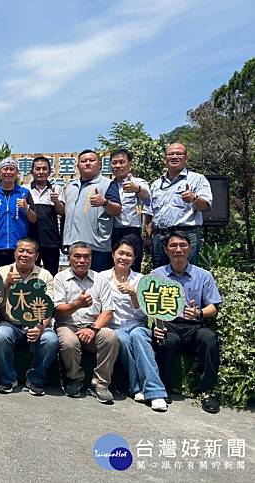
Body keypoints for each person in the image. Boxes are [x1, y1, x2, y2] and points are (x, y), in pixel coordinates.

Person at [151, 231, 222, 413]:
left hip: (194, 326)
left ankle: (208, 392)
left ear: (190, 249)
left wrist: (198, 312)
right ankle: (163, 387)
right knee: (167, 340)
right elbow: (151, 308)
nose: (178, 249)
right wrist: (156, 326)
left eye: (182, 245)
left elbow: (213, 308)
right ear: (166, 250)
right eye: (173, 246)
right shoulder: (156, 275)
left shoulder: (203, 275)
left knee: (209, 338)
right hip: (169, 324)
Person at [100, 239, 168, 412]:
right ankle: (137, 387)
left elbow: (146, 314)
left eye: (128, 254)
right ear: (113, 254)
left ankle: (155, 392)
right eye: (120, 253)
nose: (124, 257)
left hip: (137, 325)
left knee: (137, 335)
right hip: (114, 326)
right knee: (121, 337)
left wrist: (134, 294)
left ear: (134, 258)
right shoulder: (102, 278)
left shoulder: (141, 280)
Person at [53, 242, 119, 404]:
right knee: (69, 342)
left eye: (86, 256)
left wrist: (93, 328)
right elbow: (58, 310)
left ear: (91, 259)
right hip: (67, 325)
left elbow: (107, 311)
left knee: (110, 337)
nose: (82, 260)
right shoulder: (60, 278)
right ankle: (75, 379)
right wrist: (77, 305)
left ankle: (101, 384)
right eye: (77, 256)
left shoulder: (101, 280)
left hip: (92, 325)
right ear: (69, 259)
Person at [0, 238, 59, 395]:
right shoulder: (2, 271)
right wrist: (6, 284)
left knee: (51, 340)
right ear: (15, 253)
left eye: (29, 252)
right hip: (10, 324)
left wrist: (40, 327)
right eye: (21, 251)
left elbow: (48, 307)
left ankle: (36, 379)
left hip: (37, 324)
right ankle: (8, 378)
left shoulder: (45, 275)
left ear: (36, 256)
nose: (24, 255)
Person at [145, 143, 212, 268]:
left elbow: (206, 206)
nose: (174, 156)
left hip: (185, 236)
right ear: (165, 158)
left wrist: (194, 198)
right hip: (159, 238)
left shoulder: (197, 179)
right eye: (171, 154)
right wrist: (148, 237)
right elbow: (149, 213)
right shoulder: (156, 184)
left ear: (186, 158)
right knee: (160, 278)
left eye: (179, 154)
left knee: (186, 277)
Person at [62, 150, 122, 272]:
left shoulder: (107, 184)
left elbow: (117, 210)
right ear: (78, 166)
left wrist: (104, 202)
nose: (87, 163)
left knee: (97, 285)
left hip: (97, 246)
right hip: (74, 245)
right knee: (75, 285)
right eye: (83, 161)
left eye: (91, 160)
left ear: (99, 164)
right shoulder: (71, 186)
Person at [0, 157, 36, 268]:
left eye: (12, 169)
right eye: (5, 169)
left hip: (19, 249)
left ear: (17, 172)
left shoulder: (24, 193)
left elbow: (33, 219)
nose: (8, 172)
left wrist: (26, 208)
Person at [109, 149, 150, 273]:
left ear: (130, 163)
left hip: (131, 231)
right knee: (112, 268)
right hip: (111, 232)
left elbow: (147, 197)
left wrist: (137, 189)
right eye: (114, 162)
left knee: (132, 268)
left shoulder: (138, 182)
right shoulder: (109, 185)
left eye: (122, 162)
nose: (118, 166)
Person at [24, 156, 65, 275]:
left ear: (49, 172)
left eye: (44, 169)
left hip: (51, 241)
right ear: (32, 172)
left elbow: (62, 212)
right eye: (37, 169)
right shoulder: (25, 190)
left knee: (51, 274)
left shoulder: (57, 188)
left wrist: (56, 201)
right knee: (30, 274)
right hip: (31, 240)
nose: (41, 172)